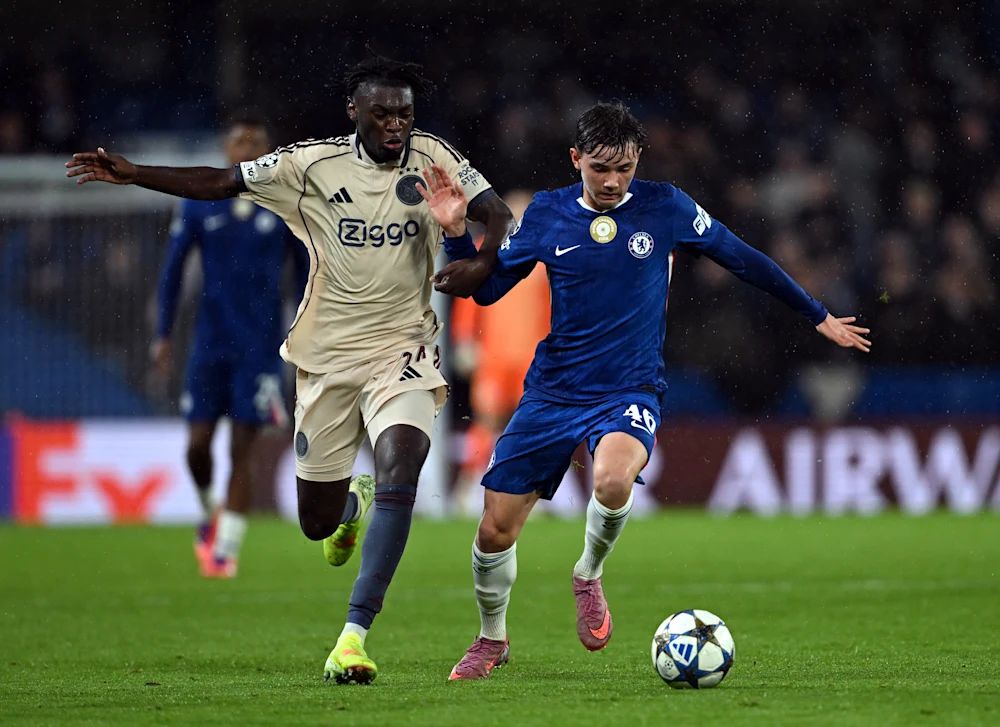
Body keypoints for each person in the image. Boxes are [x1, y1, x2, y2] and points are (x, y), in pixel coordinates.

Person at [66, 54, 513, 684]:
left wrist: (478, 257)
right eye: (382, 112)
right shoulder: (307, 166)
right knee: (316, 521)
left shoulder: (434, 157)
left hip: (403, 350)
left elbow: (496, 213)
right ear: (353, 111)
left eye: (405, 114)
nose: (396, 125)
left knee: (402, 464)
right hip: (326, 359)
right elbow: (221, 182)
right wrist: (135, 172)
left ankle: (353, 636)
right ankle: (349, 513)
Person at [430, 101, 871, 679]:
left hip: (630, 387)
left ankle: (588, 573)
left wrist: (814, 313)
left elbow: (742, 258)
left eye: (625, 169)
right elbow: (485, 295)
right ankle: (492, 639)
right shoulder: (546, 214)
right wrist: (459, 234)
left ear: (638, 161)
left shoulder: (667, 207)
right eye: (600, 169)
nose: (613, 182)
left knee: (612, 479)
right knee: (494, 529)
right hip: (554, 391)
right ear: (576, 159)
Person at [151, 114, 309, 579]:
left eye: (256, 141)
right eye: (239, 140)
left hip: (260, 349)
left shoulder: (284, 207)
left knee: (244, 448)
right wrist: (162, 333)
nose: (247, 146)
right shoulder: (200, 206)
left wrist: (303, 335)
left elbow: (305, 277)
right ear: (225, 150)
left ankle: (226, 552)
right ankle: (208, 512)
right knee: (197, 447)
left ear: (267, 152)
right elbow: (172, 272)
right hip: (209, 343)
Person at [449, 189, 550, 514]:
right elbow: (468, 297)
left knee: (530, 426)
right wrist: (464, 340)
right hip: (493, 357)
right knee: (487, 422)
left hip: (532, 358)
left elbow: (554, 308)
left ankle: (527, 496)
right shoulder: (485, 251)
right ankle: (467, 487)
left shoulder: (546, 257)